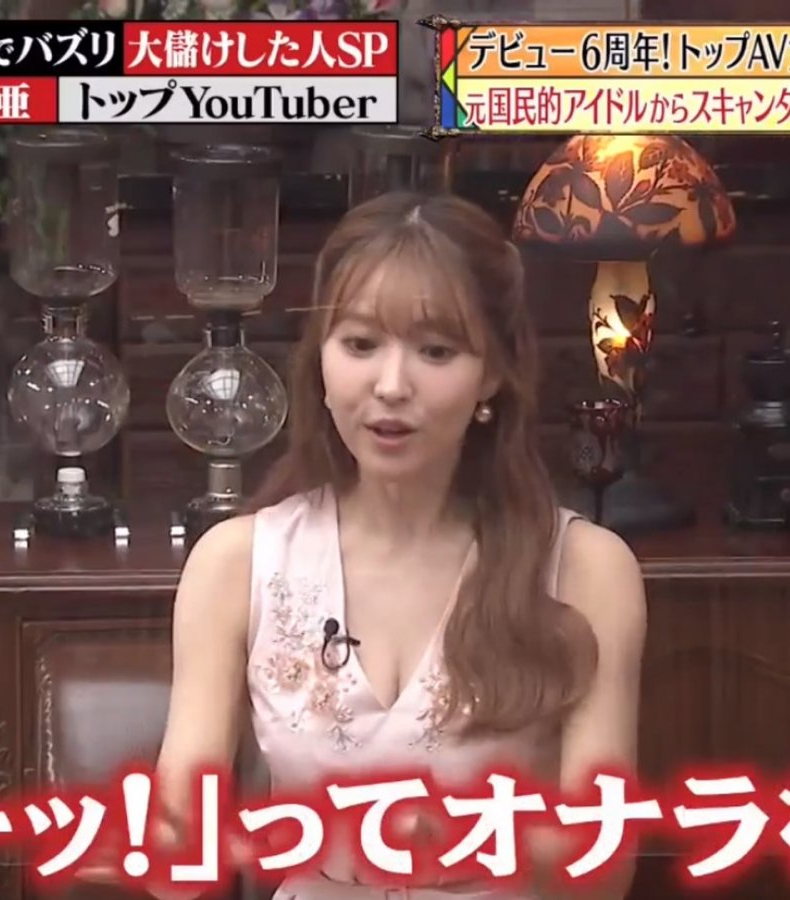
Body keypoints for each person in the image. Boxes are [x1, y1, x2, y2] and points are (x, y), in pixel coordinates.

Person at [150, 191, 648, 899]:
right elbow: (175, 861)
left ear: (492, 373)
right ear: (320, 362)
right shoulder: (235, 563)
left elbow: (600, 869)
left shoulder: (585, 569)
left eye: (436, 351)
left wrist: (440, 830)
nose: (390, 385)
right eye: (360, 345)